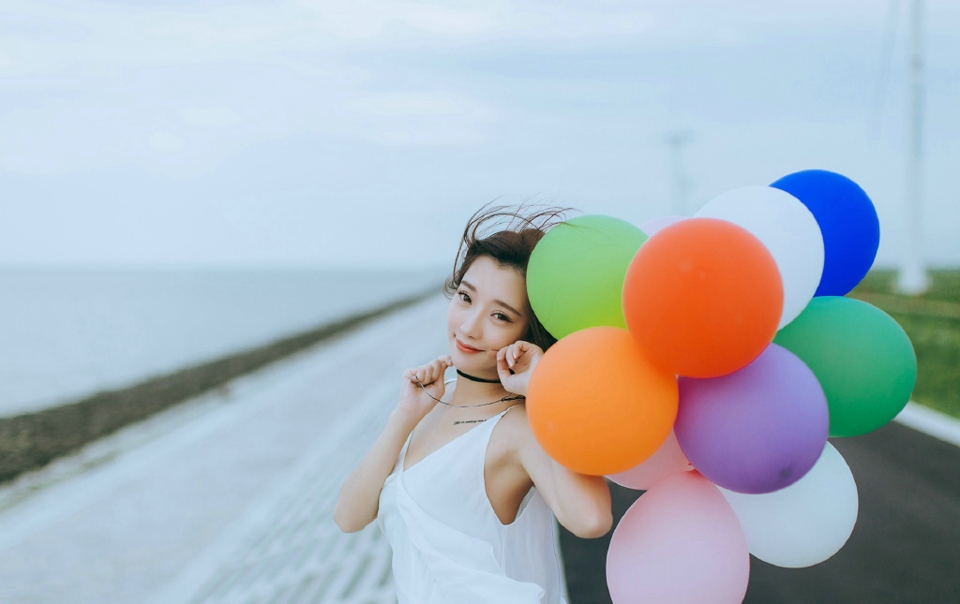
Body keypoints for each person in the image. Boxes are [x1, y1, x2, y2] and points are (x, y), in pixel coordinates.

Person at [334, 205, 613, 603]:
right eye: (465, 297)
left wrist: (544, 390)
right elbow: (348, 517)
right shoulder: (428, 403)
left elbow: (592, 520)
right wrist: (403, 417)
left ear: (527, 332)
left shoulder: (519, 426)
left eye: (500, 315)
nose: (468, 326)